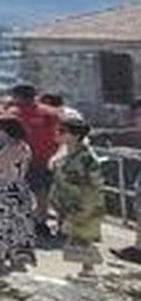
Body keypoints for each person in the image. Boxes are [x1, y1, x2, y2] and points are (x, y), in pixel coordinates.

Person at [4, 83, 62, 237]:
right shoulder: (51, 113)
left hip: (19, 159)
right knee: (42, 193)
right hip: (44, 158)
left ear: (17, 96)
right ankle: (41, 223)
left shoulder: (13, 113)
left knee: (15, 192)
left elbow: (8, 138)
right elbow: (58, 135)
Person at [51, 116, 105, 277]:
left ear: (75, 135)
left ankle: (89, 270)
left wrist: (81, 209)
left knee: (82, 238)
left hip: (83, 205)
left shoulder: (86, 157)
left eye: (62, 132)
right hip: (69, 203)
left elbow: (93, 186)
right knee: (75, 238)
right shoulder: (69, 153)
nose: (57, 134)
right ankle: (86, 269)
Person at [0, 116, 36, 274]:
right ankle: (15, 257)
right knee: (17, 224)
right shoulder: (25, 147)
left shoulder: (10, 148)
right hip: (20, 186)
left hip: (5, 187)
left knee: (0, 224)